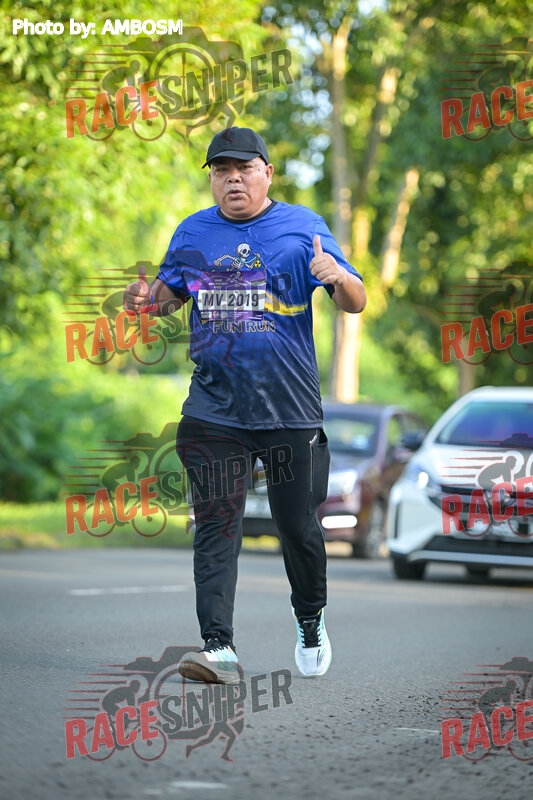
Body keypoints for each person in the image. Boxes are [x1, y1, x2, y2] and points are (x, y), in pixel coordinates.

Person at [123, 127, 366, 683]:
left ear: (267, 173)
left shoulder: (304, 227)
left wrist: (339, 277)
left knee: (297, 528)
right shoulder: (192, 232)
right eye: (221, 170)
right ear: (212, 179)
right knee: (215, 525)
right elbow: (167, 298)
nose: (233, 179)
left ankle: (310, 618)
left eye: (244, 168)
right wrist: (145, 302)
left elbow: (355, 301)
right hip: (215, 412)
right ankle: (219, 647)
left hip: (289, 413)